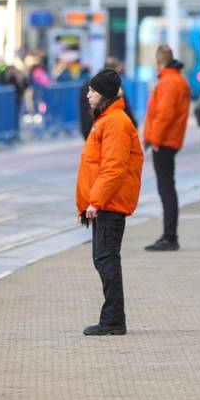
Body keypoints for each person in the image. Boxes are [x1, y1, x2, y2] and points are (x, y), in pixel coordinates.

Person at [76, 69, 143, 336]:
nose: (88, 94)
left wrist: (95, 201)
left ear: (104, 93)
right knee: (104, 258)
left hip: (109, 204)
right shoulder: (106, 119)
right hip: (106, 202)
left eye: (92, 90)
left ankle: (113, 320)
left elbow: (113, 168)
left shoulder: (115, 122)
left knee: (106, 259)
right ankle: (113, 318)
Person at [143, 45, 191, 251]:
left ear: (158, 60)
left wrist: (154, 139)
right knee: (167, 187)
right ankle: (169, 234)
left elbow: (164, 115)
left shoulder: (169, 81)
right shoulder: (175, 79)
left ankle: (170, 236)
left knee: (166, 188)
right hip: (170, 140)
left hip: (164, 141)